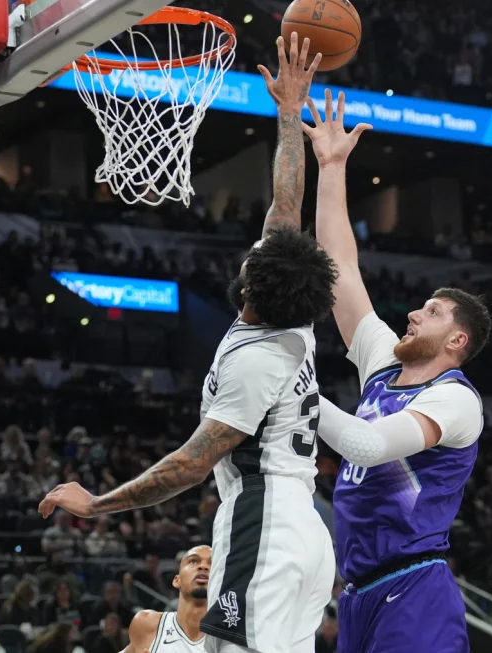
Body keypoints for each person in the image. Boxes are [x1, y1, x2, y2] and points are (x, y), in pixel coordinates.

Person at [38, 34, 337, 653]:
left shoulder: (255, 357)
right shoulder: (294, 318)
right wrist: (288, 115)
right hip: (304, 530)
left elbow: (191, 464)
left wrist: (98, 505)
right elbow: (287, 204)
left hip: (265, 523)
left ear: (253, 284)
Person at [301, 89, 491, 653]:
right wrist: (332, 167)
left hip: (414, 590)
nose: (413, 311)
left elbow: (362, 444)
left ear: (456, 341)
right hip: (358, 594)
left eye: (431, 312)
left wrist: (298, 393)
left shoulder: (456, 401)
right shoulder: (384, 368)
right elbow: (338, 269)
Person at [123, 546, 213, 653]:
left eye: (212, 563)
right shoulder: (148, 625)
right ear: (176, 580)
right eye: (193, 561)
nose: (203, 566)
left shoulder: (233, 634)